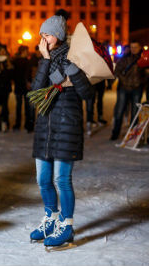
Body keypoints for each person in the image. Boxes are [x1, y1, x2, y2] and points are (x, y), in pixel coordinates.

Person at [29, 14, 92, 247]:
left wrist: (73, 71)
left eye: (46, 35)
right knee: (42, 179)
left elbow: (88, 94)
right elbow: (35, 93)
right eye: (41, 35)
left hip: (67, 125)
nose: (43, 39)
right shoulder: (43, 59)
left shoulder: (75, 57)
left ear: (57, 36)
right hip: (45, 126)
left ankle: (66, 225)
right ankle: (51, 219)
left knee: (61, 179)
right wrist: (45, 60)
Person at [110, 40, 145, 141]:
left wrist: (140, 81)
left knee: (135, 113)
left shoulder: (142, 59)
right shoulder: (124, 59)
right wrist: (124, 80)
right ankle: (115, 133)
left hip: (137, 89)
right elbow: (117, 72)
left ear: (139, 48)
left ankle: (133, 135)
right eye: (132, 47)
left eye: (135, 47)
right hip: (124, 88)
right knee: (119, 111)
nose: (133, 49)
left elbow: (146, 74)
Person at [0, 45, 13, 133]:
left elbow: (10, 75)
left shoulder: (9, 62)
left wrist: (5, 69)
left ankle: (4, 124)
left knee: (5, 106)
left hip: (5, 87)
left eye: (4, 51)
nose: (3, 52)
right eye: (1, 51)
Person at [12, 45, 34, 132]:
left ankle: (19, 124)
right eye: (26, 51)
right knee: (25, 107)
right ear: (23, 52)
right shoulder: (26, 62)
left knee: (20, 106)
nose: (27, 52)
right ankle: (26, 125)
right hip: (24, 86)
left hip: (21, 86)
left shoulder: (17, 61)